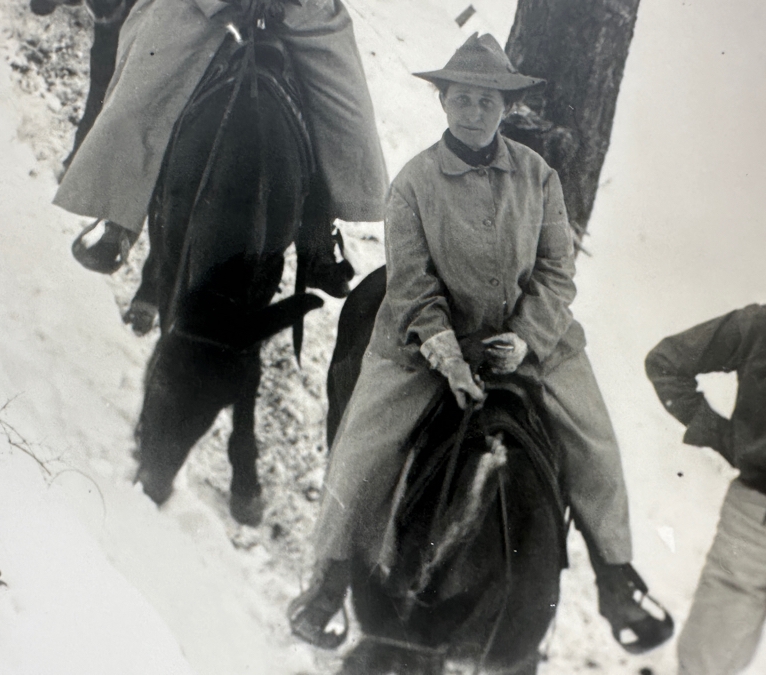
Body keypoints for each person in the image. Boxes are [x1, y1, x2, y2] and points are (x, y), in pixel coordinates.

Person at [288, 33, 672, 653]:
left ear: (506, 108)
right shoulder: (413, 183)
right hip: (425, 342)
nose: (474, 111)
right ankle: (329, 580)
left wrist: (524, 341)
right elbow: (411, 284)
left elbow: (556, 272)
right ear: (443, 101)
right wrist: (448, 356)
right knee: (365, 445)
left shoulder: (539, 177)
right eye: (463, 98)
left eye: (487, 101)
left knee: (594, 441)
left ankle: (616, 579)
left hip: (531, 339)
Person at [53, 0, 388, 296]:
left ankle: (320, 229)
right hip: (200, 5)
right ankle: (118, 217)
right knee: (141, 89)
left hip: (295, 7)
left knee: (348, 108)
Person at [645, 222, 766, 675]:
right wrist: (717, 432)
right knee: (703, 662)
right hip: (749, 519)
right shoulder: (762, 326)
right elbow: (667, 362)